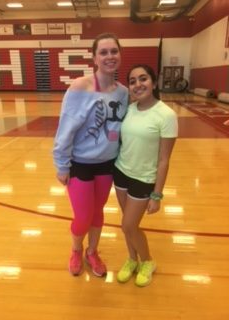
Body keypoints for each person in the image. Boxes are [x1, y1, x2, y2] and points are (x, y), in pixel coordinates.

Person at [53, 33, 128, 277]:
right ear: (94, 57)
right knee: (83, 216)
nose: (109, 56)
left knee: (97, 214)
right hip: (80, 164)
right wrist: (62, 164)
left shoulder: (123, 93)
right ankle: (76, 249)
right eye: (103, 52)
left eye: (114, 51)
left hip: (107, 165)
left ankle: (92, 252)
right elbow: (65, 129)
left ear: (120, 55)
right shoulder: (79, 87)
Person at [113, 64, 178, 287]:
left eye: (143, 79)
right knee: (125, 223)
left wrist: (157, 194)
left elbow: (164, 160)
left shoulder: (166, 115)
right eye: (132, 81)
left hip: (144, 179)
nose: (138, 85)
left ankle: (147, 261)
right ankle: (132, 259)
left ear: (154, 82)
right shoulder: (130, 109)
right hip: (121, 173)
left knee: (129, 226)